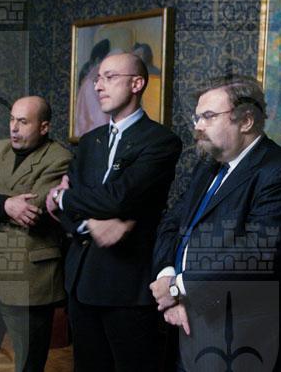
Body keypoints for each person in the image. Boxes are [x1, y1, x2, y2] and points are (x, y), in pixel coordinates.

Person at [150, 75, 281, 371]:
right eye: (197, 118)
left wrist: (179, 287)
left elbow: (259, 253)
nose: (198, 126)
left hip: (237, 336)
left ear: (246, 120)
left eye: (209, 116)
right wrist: (166, 276)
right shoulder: (208, 166)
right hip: (184, 322)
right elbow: (171, 224)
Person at [46, 53, 182, 372]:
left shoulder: (161, 141)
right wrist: (87, 221)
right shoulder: (88, 142)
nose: (98, 86)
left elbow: (118, 198)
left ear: (137, 84)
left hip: (127, 284)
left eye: (109, 77)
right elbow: (70, 208)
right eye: (97, 79)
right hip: (81, 280)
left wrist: (63, 197)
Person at [0, 96, 71, 372]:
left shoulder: (60, 158)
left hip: (28, 278)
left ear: (44, 127)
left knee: (28, 363)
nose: (14, 128)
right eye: (11, 120)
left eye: (23, 122)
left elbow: (34, 210)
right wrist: (7, 204)